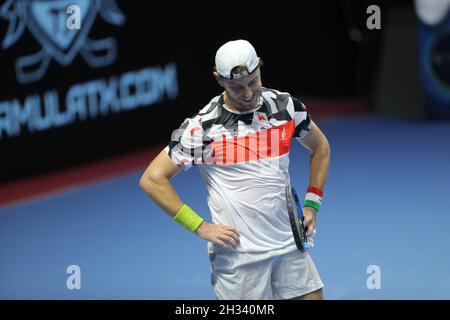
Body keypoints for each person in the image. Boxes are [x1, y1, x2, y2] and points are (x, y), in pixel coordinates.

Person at [139, 39, 331, 300]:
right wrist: (199, 227)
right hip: (240, 260)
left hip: (289, 245)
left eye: (253, 81)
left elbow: (320, 148)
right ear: (219, 80)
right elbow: (152, 179)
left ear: (260, 67)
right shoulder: (203, 128)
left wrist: (312, 203)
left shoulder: (286, 107)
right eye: (237, 87)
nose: (248, 92)